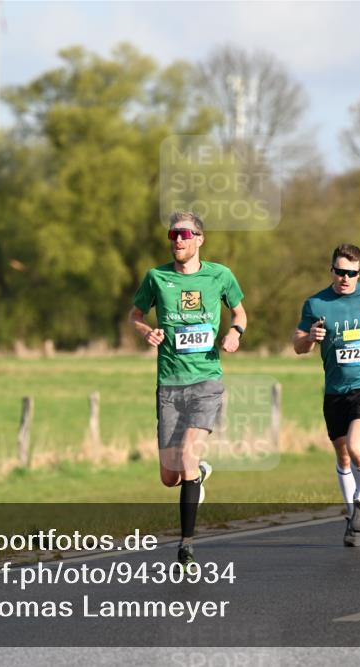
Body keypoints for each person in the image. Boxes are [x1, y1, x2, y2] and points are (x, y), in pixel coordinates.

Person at [129, 211, 247, 567]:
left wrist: (234, 333)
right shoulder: (156, 277)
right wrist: (146, 332)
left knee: (186, 458)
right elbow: (135, 315)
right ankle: (199, 473)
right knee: (169, 476)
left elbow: (240, 313)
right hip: (169, 384)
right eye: (172, 234)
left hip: (206, 381)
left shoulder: (220, 276)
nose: (177, 240)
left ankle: (186, 545)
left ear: (199, 239)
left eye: (184, 234)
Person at [292, 244, 360, 547]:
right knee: (342, 457)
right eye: (340, 271)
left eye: (351, 273)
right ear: (332, 270)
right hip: (335, 391)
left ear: (359, 273)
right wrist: (310, 339)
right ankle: (351, 518)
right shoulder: (316, 303)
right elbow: (297, 344)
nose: (345, 278)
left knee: (357, 448)